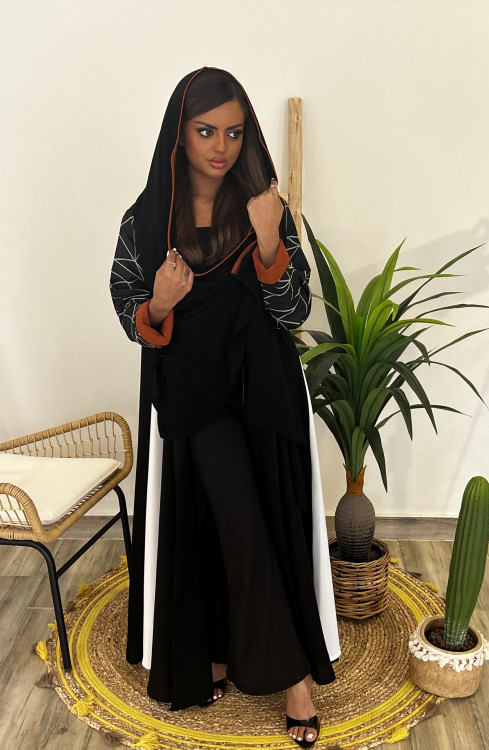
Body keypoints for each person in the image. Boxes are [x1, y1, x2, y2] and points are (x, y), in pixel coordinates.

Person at [109, 67, 340, 747]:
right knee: (233, 522)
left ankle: (220, 653)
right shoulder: (145, 218)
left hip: (264, 389)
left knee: (255, 519)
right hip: (193, 394)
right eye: (206, 131)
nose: (221, 147)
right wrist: (159, 304)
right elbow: (130, 311)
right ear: (179, 133)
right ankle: (292, 680)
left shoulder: (264, 206)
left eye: (234, 133)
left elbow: (294, 312)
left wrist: (269, 241)